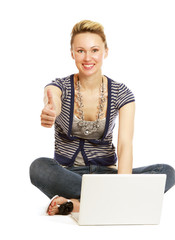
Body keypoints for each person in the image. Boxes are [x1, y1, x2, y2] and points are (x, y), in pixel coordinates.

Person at [30, 20, 175, 216]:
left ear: (105, 51)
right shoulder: (60, 86)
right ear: (72, 53)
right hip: (69, 174)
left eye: (94, 50)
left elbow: (125, 144)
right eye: (80, 51)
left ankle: (77, 203)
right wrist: (52, 111)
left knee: (166, 172)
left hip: (109, 175)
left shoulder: (122, 93)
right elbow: (52, 97)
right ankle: (107, 201)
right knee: (39, 167)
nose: (88, 57)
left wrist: (121, 185)